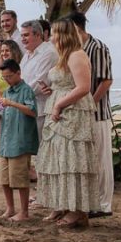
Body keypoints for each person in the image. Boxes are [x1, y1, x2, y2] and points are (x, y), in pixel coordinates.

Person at [34, 18, 99, 228]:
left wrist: (58, 104)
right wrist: (51, 92)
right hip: (59, 110)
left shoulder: (77, 55)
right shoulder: (64, 56)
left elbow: (83, 87)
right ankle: (61, 204)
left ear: (63, 34)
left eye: (53, 33)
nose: (51, 37)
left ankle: (77, 210)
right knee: (57, 158)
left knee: (72, 160)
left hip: (72, 114)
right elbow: (66, 83)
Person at [67, 12, 115, 218]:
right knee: (88, 159)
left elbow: (105, 80)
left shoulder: (97, 47)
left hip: (97, 113)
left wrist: (91, 104)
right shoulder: (76, 51)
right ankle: (91, 201)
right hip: (81, 113)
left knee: (101, 158)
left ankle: (104, 204)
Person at [0, 59, 38, 222]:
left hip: (19, 141)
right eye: (4, 77)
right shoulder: (7, 91)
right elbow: (3, 110)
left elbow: (32, 111)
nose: (7, 80)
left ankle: (24, 212)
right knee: (4, 179)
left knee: (19, 178)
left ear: (18, 73)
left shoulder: (26, 90)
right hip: (6, 140)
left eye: (9, 76)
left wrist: (12, 103)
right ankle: (10, 208)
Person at [19, 20, 59, 144]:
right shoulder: (27, 54)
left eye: (26, 35)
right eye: (22, 36)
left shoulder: (49, 53)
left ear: (38, 35)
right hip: (26, 107)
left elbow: (38, 82)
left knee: (40, 150)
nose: (23, 39)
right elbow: (21, 79)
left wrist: (17, 97)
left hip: (41, 109)